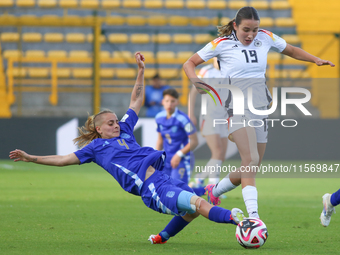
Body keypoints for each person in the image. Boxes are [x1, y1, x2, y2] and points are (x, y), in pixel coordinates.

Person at [9, 52, 245, 245]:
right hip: (150, 187)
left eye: (116, 121)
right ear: (99, 129)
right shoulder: (95, 148)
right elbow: (62, 159)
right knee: (198, 205)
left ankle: (162, 236)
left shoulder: (124, 130)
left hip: (163, 177)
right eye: (110, 123)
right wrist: (31, 158)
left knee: (192, 211)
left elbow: (136, 101)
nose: (116, 124)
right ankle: (240, 222)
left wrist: (141, 71)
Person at [183, 6, 335, 219]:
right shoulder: (221, 44)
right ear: (235, 26)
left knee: (252, 164)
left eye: (255, 30)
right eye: (246, 29)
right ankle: (254, 217)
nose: (251, 35)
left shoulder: (266, 37)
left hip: (260, 108)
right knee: (251, 159)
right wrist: (196, 80)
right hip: (236, 107)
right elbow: (189, 63)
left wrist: (315, 59)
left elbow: (290, 50)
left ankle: (214, 191)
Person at [155, 88, 205, 196]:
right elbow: (160, 140)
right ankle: (203, 190)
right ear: (163, 101)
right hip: (167, 159)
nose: (169, 104)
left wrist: (179, 154)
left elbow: (194, 141)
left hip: (183, 159)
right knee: (164, 189)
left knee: (178, 190)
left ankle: (205, 190)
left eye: (173, 101)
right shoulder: (159, 117)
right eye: (167, 101)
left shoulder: (183, 119)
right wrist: (155, 157)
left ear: (177, 102)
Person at [188, 57, 229, 189]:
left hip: (224, 117)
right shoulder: (207, 72)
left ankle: (200, 177)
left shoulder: (230, 71)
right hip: (209, 115)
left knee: (221, 155)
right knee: (217, 151)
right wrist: (191, 113)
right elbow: (193, 92)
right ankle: (214, 187)